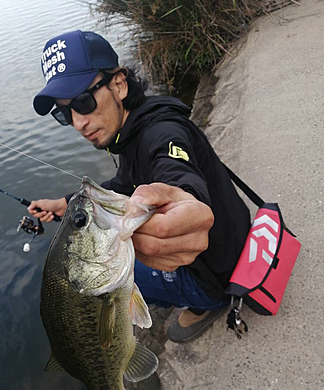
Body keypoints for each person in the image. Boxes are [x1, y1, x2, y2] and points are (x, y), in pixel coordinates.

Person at [29, 30, 251, 343]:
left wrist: (188, 205)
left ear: (118, 84)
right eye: (65, 113)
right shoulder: (134, 126)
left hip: (218, 273)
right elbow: (121, 185)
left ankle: (205, 304)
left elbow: (178, 175)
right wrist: (64, 203)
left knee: (92, 278)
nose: (79, 123)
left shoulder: (162, 133)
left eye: (83, 101)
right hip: (235, 238)